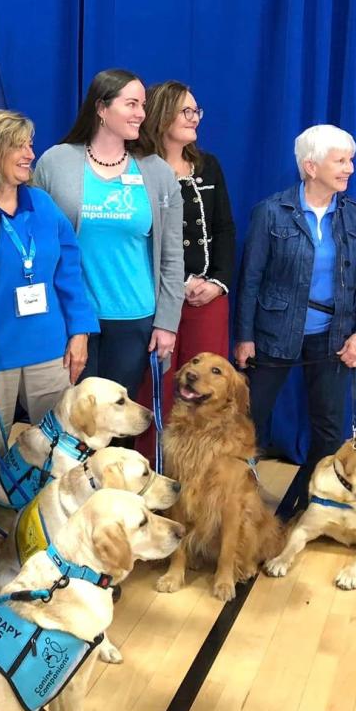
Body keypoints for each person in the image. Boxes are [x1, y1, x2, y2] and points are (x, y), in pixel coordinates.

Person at [234, 124, 356, 490]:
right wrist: (245, 337)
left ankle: (303, 503)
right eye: (341, 160)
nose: (349, 168)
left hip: (333, 337)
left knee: (330, 431)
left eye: (351, 160)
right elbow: (250, 279)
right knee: (246, 421)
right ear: (311, 166)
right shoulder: (270, 212)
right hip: (273, 335)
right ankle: (234, 500)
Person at [32, 69, 184, 410]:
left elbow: (172, 257)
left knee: (116, 425)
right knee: (73, 419)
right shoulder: (56, 162)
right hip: (70, 316)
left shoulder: (156, 171)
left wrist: (167, 323)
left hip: (134, 318)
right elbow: (36, 241)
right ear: (101, 108)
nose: (141, 114)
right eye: (131, 104)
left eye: (142, 105)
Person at [0, 108, 98, 423]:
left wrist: (80, 332)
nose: (30, 154)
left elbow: (70, 273)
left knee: (58, 454)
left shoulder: (42, 203)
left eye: (30, 144)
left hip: (50, 349)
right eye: (19, 146)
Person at [133, 81, 235, 455]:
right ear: (162, 117)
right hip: (157, 298)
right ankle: (150, 469)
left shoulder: (208, 166)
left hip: (206, 299)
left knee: (207, 389)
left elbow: (225, 229)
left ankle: (203, 471)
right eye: (186, 112)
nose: (194, 119)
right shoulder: (138, 167)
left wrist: (218, 283)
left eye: (197, 112)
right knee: (154, 388)